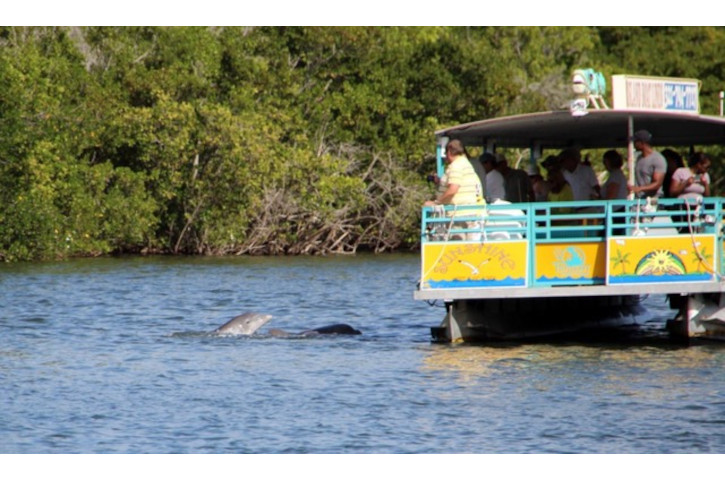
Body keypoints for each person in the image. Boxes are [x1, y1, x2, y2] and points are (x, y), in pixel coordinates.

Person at [424, 140, 485, 239]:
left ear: (449, 152)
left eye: (446, 153)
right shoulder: (466, 163)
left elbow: (453, 189)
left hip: (458, 216)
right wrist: (440, 183)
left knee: (456, 244)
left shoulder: (456, 166)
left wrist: (437, 203)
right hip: (468, 213)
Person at [629, 130, 667, 198]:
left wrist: (640, 188)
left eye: (635, 142)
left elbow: (657, 183)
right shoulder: (639, 158)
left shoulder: (658, 159)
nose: (634, 144)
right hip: (639, 200)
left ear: (642, 143)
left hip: (653, 200)